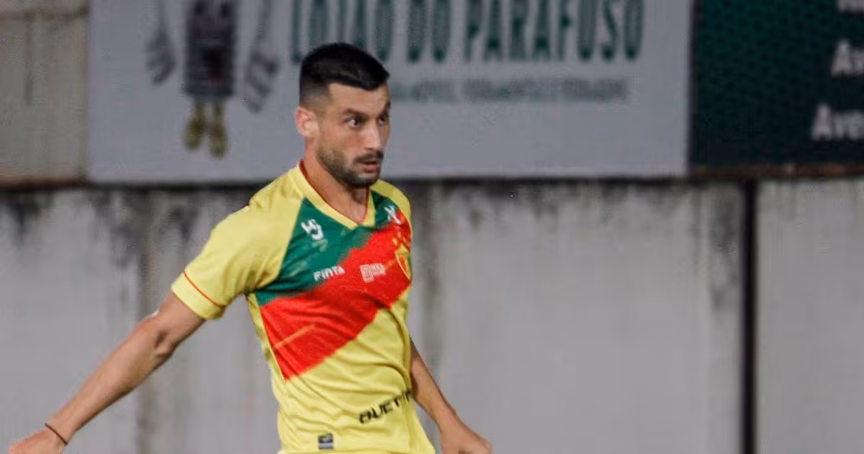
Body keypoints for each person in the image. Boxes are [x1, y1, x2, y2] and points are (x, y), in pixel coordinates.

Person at [9, 42, 492, 454]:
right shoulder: (262, 229)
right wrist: (57, 432)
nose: (374, 140)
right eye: (354, 122)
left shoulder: (394, 209)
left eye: (382, 119)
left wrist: (447, 421)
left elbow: (386, 333)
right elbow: (158, 336)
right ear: (307, 123)